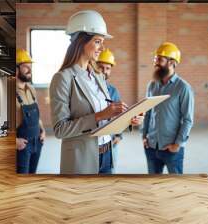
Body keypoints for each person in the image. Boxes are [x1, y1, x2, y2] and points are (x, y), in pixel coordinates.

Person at [50, 10, 138, 174]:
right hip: (82, 160)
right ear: (81, 42)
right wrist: (99, 116)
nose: (102, 48)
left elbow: (107, 120)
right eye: (98, 42)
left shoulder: (98, 76)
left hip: (107, 156)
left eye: (102, 42)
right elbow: (60, 129)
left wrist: (127, 120)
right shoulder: (63, 78)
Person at [142, 42, 194, 174]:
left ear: (171, 62)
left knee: (175, 186)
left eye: (159, 59)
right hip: (151, 146)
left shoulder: (183, 87)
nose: (155, 63)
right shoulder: (152, 85)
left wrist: (177, 144)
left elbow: (187, 119)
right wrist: (144, 136)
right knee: (154, 186)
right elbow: (147, 113)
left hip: (171, 148)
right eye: (155, 59)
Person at [16, 49, 46, 174]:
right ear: (16, 69)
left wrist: (43, 130)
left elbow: (37, 116)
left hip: (37, 142)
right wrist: (14, 142)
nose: (29, 70)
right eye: (25, 67)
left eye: (30, 66)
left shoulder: (32, 90)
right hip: (22, 145)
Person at [97, 48, 122, 173]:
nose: (104, 71)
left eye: (107, 68)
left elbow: (119, 115)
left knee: (109, 173)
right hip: (93, 141)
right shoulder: (88, 90)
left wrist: (119, 135)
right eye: (101, 67)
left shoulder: (113, 91)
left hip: (111, 140)